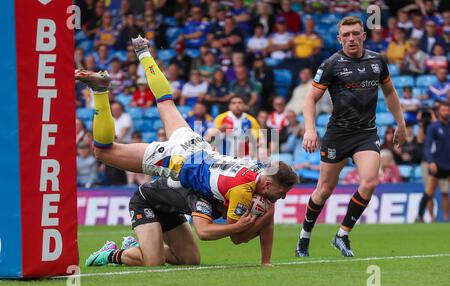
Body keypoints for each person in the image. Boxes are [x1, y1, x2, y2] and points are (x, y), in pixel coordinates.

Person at [76, 35, 298, 261]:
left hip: (195, 144)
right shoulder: (243, 190)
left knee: (165, 101)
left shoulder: (259, 167)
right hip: (178, 160)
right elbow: (238, 237)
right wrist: (260, 218)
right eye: (280, 194)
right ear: (269, 183)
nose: (279, 198)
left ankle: (143, 51)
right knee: (103, 151)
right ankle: (101, 91)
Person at [295, 16, 406, 258]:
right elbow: (310, 99)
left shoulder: (377, 61)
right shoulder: (331, 64)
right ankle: (304, 236)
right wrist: (310, 129)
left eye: (356, 33)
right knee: (324, 189)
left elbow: (390, 92)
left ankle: (342, 234)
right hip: (337, 135)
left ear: (364, 35)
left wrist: (401, 123)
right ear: (339, 38)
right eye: (346, 35)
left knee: (369, 182)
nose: (351, 38)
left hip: (366, 134)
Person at [86, 177, 275, 267]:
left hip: (170, 209)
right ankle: (110, 253)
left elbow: (240, 236)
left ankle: (137, 246)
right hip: (146, 202)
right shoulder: (204, 200)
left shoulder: (234, 195)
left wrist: (264, 217)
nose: (238, 213)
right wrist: (236, 226)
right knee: (154, 262)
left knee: (190, 261)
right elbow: (204, 233)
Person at [416, 101, 450, 222]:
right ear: (439, 111)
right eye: (443, 110)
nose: (446, 112)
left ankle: (446, 219)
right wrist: (431, 162)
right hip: (437, 164)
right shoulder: (433, 127)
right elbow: (427, 146)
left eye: (447, 110)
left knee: (445, 193)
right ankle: (420, 216)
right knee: (429, 193)